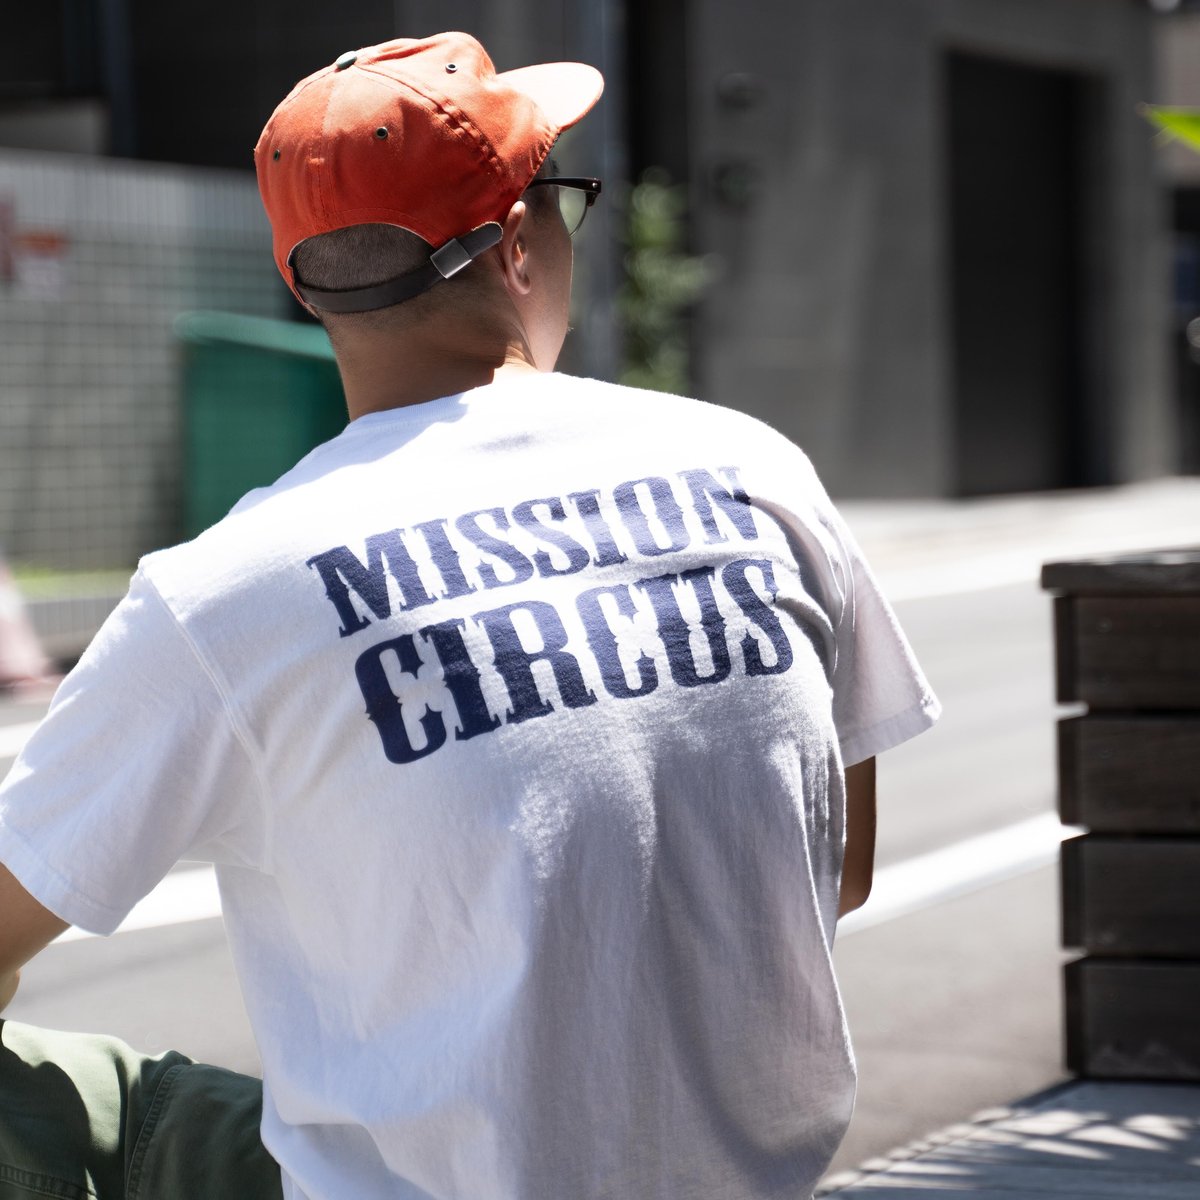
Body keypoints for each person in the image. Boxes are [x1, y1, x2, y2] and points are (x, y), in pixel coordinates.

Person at [0, 31, 939, 1200]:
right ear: (516, 246)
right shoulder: (753, 468)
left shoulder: (228, 591)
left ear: (301, 283)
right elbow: (833, 869)